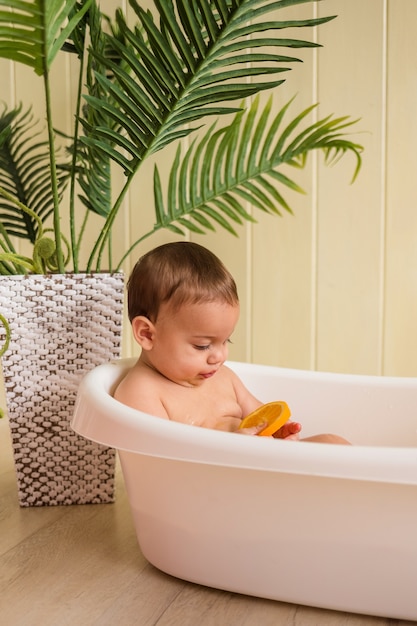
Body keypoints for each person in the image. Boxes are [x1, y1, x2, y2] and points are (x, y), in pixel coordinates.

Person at [114, 241, 349, 443]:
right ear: (147, 334)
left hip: (261, 470)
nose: (219, 356)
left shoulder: (225, 378)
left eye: (226, 341)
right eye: (202, 345)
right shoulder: (141, 392)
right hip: (213, 485)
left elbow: (264, 418)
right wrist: (231, 449)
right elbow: (159, 463)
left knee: (333, 442)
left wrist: (279, 433)